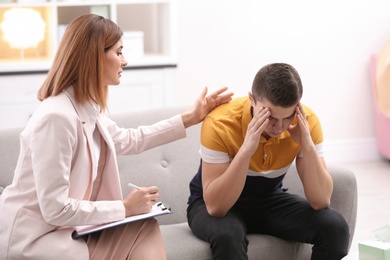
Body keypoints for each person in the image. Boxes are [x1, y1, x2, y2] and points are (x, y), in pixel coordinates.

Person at [0, 14, 233, 260]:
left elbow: (129, 139)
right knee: (141, 227)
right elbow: (54, 208)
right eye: (119, 52)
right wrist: (125, 207)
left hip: (61, 232)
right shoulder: (57, 118)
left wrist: (191, 117)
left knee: (144, 225)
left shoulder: (84, 109)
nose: (125, 61)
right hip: (33, 241)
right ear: (95, 57)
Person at [187, 63, 350, 260]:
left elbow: (321, 201)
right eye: (270, 116)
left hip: (267, 199)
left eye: (287, 117)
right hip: (210, 205)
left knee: (335, 227)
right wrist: (246, 150)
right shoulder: (220, 122)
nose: (279, 127)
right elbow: (216, 207)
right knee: (227, 236)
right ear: (251, 100)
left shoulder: (305, 122)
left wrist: (307, 146)